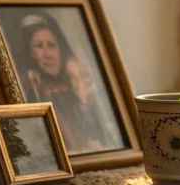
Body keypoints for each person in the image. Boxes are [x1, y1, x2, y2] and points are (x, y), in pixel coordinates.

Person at [17, 13, 118, 153]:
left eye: (52, 45)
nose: (48, 54)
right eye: (39, 46)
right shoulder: (31, 86)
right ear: (31, 54)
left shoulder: (75, 83)